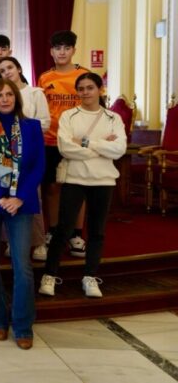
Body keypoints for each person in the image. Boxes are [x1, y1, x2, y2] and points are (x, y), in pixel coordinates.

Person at [0, 78, 45, 350]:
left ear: (17, 98)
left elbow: (38, 166)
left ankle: (23, 325)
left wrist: (19, 197)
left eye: (9, 94)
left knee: (22, 264)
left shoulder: (31, 126)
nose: (4, 99)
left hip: (21, 202)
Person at [39, 72, 126, 299]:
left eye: (90, 88)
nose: (85, 92)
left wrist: (86, 142)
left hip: (103, 179)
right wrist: (102, 147)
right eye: (81, 89)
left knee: (97, 231)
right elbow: (66, 148)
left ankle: (90, 277)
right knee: (63, 229)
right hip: (75, 178)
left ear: (100, 90)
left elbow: (119, 149)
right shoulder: (69, 116)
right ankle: (49, 275)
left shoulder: (113, 118)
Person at [38, 30, 90, 258]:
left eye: (66, 48)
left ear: (73, 51)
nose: (62, 52)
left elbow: (93, 107)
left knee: (78, 187)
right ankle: (53, 230)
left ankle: (76, 234)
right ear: (51, 51)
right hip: (50, 140)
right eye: (58, 48)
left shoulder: (84, 75)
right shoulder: (45, 78)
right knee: (52, 188)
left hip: (77, 142)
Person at [0, 56, 52, 261]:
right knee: (7, 194)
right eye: (2, 70)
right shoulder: (0, 95)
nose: (7, 72)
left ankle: (38, 242)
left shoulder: (35, 93)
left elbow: (45, 123)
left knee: (31, 195)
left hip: (29, 149)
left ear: (19, 68)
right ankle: (10, 240)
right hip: (5, 151)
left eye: (10, 67)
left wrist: (19, 127)